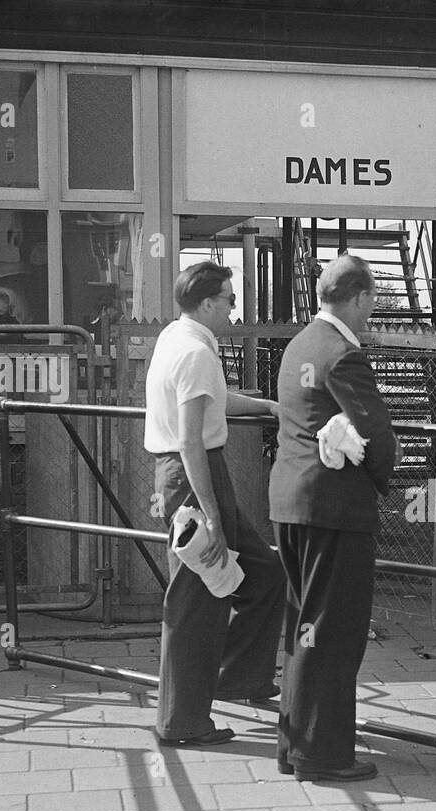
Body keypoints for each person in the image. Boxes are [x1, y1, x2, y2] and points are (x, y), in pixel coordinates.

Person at [144, 261, 286, 747]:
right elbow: (190, 440)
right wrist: (210, 514)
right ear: (206, 303)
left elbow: (210, 403)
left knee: (265, 574)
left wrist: (266, 407)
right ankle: (182, 721)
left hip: (185, 474)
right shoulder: (196, 353)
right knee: (194, 599)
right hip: (195, 476)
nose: (233, 307)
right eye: (228, 298)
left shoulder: (176, 339)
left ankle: (239, 678)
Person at [269, 254, 397, 783]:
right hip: (334, 509)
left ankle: (294, 744)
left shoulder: (300, 344)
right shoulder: (344, 354)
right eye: (373, 301)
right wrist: (381, 480)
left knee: (302, 626)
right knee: (334, 631)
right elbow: (379, 435)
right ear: (361, 297)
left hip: (291, 501)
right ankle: (323, 754)